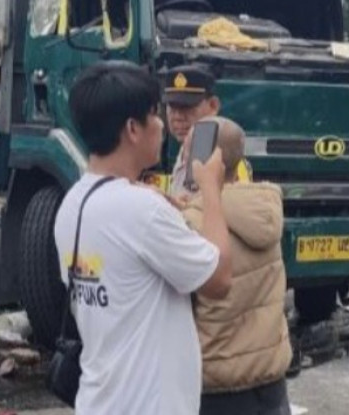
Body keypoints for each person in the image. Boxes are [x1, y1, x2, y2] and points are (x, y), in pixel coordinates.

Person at [54, 61, 233, 415]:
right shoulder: (142, 212)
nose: (162, 125)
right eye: (155, 115)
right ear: (132, 129)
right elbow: (219, 279)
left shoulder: (73, 203)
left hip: (99, 402)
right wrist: (211, 190)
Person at [182, 116, 292, 415]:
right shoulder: (264, 208)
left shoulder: (192, 224)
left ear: (202, 160)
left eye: (187, 150)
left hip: (218, 386)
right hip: (270, 380)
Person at [159, 64, 249, 198]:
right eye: (172, 108)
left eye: (186, 108)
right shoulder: (186, 151)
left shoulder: (228, 161)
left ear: (213, 105)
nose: (177, 117)